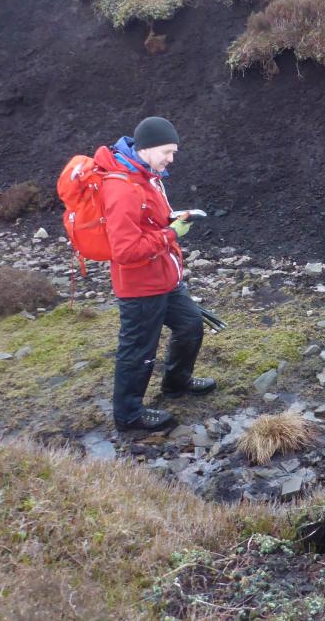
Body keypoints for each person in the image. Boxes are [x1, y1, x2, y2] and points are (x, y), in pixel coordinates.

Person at [94, 116, 216, 432]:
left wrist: (173, 220)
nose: (171, 159)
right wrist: (171, 234)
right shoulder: (122, 189)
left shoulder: (148, 176)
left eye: (173, 152)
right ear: (146, 149)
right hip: (139, 286)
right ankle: (128, 415)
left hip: (164, 277)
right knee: (138, 351)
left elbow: (149, 222)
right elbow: (125, 251)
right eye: (166, 151)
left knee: (190, 324)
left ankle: (177, 383)